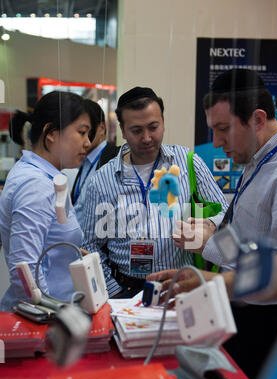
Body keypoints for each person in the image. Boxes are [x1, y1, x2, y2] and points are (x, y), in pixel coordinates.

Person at [150, 68, 277, 379]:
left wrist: (209, 247)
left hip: (270, 324)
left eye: (223, 129)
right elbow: (248, 227)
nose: (216, 143)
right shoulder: (260, 155)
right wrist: (212, 226)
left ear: (257, 120)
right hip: (242, 310)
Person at [81, 86, 228, 298]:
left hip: (181, 285)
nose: (147, 138)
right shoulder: (102, 180)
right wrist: (113, 292)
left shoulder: (187, 163)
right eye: (137, 130)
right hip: (125, 288)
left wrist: (209, 226)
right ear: (122, 130)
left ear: (163, 124)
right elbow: (89, 245)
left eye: (153, 127)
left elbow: (224, 209)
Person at [0, 91, 96, 311]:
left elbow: (43, 242)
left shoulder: (44, 177)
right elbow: (24, 271)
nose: (88, 143)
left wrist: (68, 253)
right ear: (51, 133)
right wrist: (54, 317)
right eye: (81, 133)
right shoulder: (36, 185)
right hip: (45, 320)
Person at [71, 99, 120, 227]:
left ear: (102, 128)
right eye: (79, 132)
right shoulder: (84, 160)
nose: (83, 139)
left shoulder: (115, 160)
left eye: (86, 131)